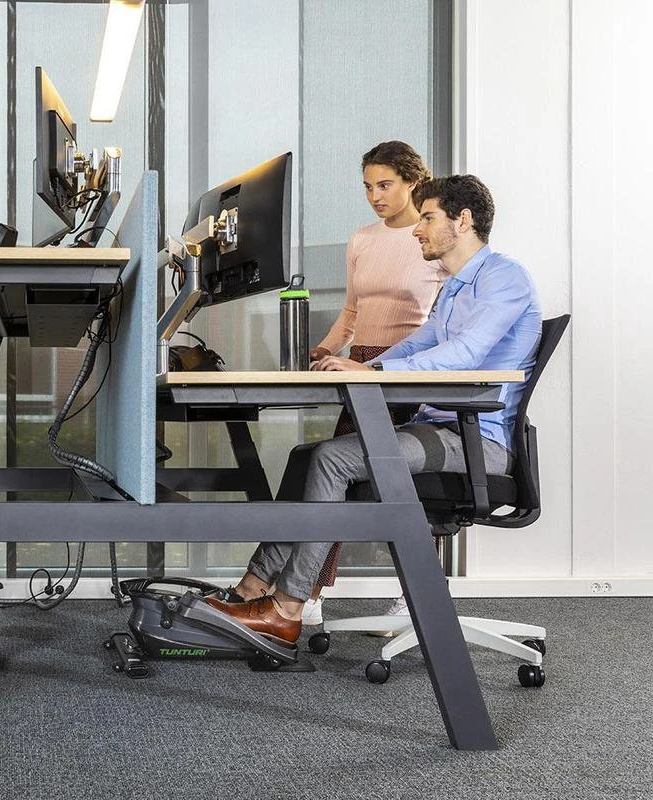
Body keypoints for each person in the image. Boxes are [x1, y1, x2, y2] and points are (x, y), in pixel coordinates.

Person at [209, 174, 542, 646]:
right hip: (439, 430)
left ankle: (286, 608)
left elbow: (466, 353)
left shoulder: (504, 277)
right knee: (308, 455)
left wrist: (373, 371)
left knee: (333, 459)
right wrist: (363, 366)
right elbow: (419, 344)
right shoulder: (452, 287)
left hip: (476, 443)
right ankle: (253, 587)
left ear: (463, 220)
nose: (417, 229)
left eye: (428, 218)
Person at [301, 141, 448, 625]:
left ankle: (417, 594)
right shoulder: (362, 239)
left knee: (410, 485)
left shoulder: (433, 239)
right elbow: (351, 312)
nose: (375, 196)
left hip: (408, 370)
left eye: (385, 185)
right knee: (335, 480)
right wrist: (323, 351)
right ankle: (310, 592)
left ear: (413, 182)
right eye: (367, 187)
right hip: (360, 368)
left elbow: (443, 322)